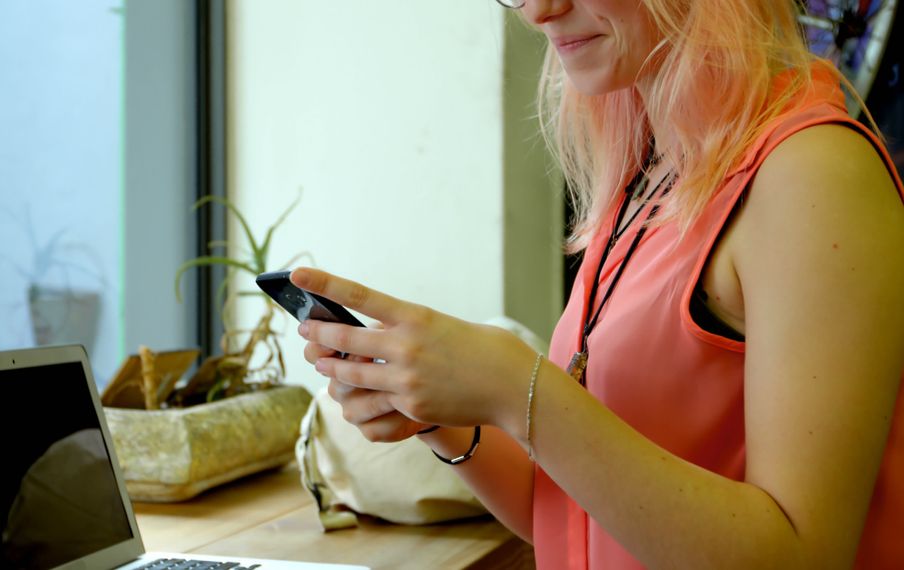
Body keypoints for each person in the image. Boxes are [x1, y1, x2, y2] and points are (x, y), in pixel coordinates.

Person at [290, 0, 904, 568]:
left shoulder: (814, 179)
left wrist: (514, 387)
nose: (537, 10)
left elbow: (803, 555)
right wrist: (435, 409)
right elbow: (573, 517)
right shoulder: (652, 170)